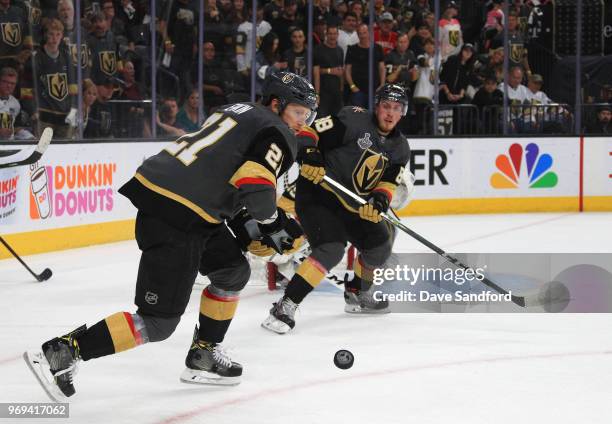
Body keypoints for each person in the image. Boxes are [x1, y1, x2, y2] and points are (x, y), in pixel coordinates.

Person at [24, 71, 317, 400]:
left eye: (306, 116)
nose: (301, 124)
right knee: (158, 323)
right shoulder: (277, 131)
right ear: (277, 104)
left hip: (182, 204)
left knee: (232, 271)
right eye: (298, 113)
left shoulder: (236, 110)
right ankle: (63, 352)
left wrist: (248, 224)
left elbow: (222, 174)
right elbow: (256, 181)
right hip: (180, 215)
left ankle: (203, 356)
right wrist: (271, 224)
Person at [261, 84, 411, 334]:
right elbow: (309, 133)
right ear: (377, 105)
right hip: (318, 194)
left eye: (396, 108)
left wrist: (379, 202)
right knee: (331, 249)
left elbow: (387, 181)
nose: (389, 113)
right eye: (386, 106)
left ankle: (357, 292)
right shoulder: (353, 119)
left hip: (352, 204)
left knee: (380, 244)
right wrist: (309, 154)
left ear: (403, 113)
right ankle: (285, 305)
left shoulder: (401, 148)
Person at [345, 23, 385, 108]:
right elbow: (347, 70)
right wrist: (352, 86)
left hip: (375, 90)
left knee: (373, 117)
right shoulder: (352, 49)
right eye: (360, 33)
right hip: (358, 91)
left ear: (369, 33)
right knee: (357, 117)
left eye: (364, 32)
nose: (362, 36)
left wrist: (382, 85)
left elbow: (382, 68)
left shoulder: (378, 48)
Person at [313, 24, 344, 117]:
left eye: (334, 34)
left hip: (337, 93)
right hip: (323, 93)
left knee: (337, 121)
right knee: (322, 122)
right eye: (330, 34)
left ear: (338, 35)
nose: (332, 36)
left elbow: (341, 71)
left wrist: (342, 89)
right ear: (326, 34)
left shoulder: (340, 50)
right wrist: (317, 94)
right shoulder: (318, 49)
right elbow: (315, 72)